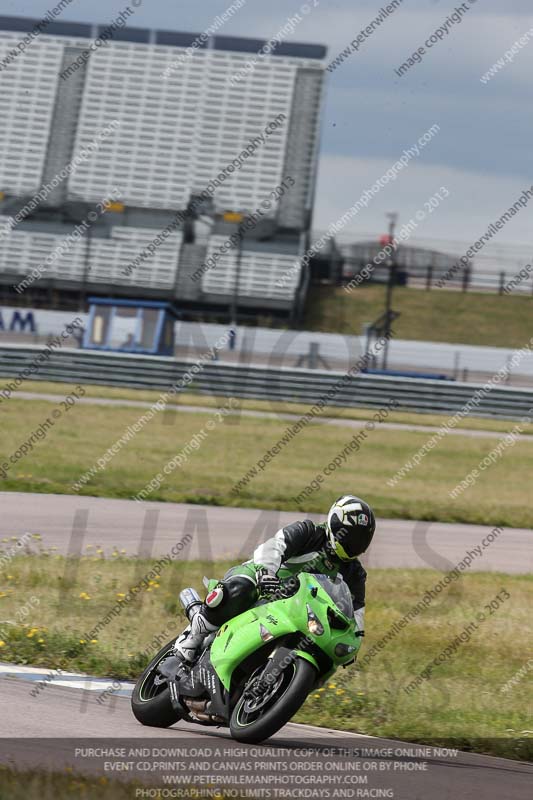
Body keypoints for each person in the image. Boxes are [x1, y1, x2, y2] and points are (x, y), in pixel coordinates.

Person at [174, 495, 375, 664]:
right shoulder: (309, 532)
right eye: (350, 536)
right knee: (240, 589)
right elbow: (274, 547)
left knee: (321, 653)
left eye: (360, 540)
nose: (354, 544)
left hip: (296, 611)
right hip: (264, 584)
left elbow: (356, 615)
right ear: (335, 524)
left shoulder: (355, 574)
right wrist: (265, 571)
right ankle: (194, 634)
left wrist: (352, 644)